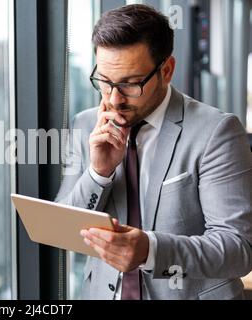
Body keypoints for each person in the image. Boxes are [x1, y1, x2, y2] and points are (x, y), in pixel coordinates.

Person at [55, 4, 252, 300]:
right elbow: (64, 231)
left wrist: (151, 250)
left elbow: (239, 248)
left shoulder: (216, 131)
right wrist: (98, 173)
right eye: (104, 82)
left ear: (167, 70)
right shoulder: (85, 124)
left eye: (130, 85)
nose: (113, 99)